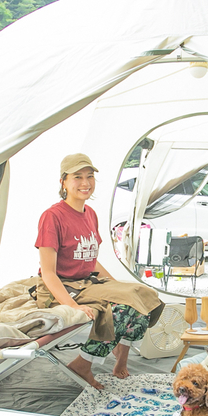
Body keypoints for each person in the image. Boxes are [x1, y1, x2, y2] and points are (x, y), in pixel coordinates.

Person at [36, 153, 163, 390]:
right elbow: (48, 273)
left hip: (87, 282)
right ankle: (82, 364)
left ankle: (120, 357)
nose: (85, 183)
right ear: (63, 182)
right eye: (77, 177)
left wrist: (119, 286)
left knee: (143, 296)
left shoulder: (90, 214)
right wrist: (73, 307)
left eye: (89, 176)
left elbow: (91, 260)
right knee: (122, 308)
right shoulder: (52, 217)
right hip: (62, 286)